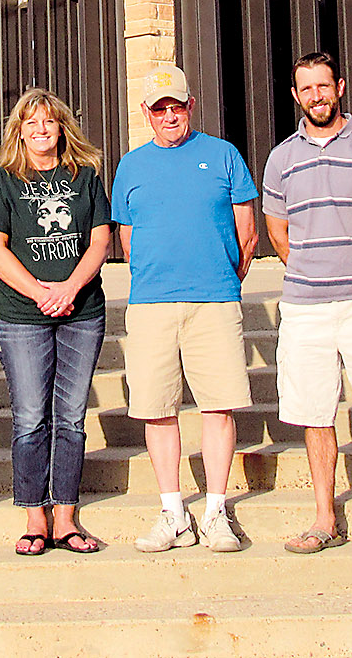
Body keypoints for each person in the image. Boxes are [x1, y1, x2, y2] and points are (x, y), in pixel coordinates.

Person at [111, 63, 258, 554]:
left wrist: (219, 276)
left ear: (190, 105)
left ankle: (216, 511)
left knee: (218, 406)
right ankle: (173, 511)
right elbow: (128, 239)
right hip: (152, 304)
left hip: (214, 301)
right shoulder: (130, 165)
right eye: (160, 108)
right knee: (157, 409)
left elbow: (248, 232)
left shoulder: (223, 155)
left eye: (177, 106)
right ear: (146, 114)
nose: (169, 115)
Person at [0, 88, 113, 556]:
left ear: (61, 128)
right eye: (31, 123)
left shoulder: (86, 177)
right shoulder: (2, 180)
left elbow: (100, 242)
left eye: (49, 122)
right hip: (21, 316)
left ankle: (66, 518)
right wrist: (40, 293)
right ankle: (35, 515)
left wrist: (70, 289)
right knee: (32, 416)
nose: (40, 130)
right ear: (19, 129)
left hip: (81, 312)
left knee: (71, 416)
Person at [261, 52, 352, 557]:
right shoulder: (281, 157)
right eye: (305, 89)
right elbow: (278, 229)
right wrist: (310, 268)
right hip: (305, 306)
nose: (316, 96)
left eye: (323, 86)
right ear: (296, 96)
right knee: (316, 414)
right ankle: (324, 518)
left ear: (339, 86)